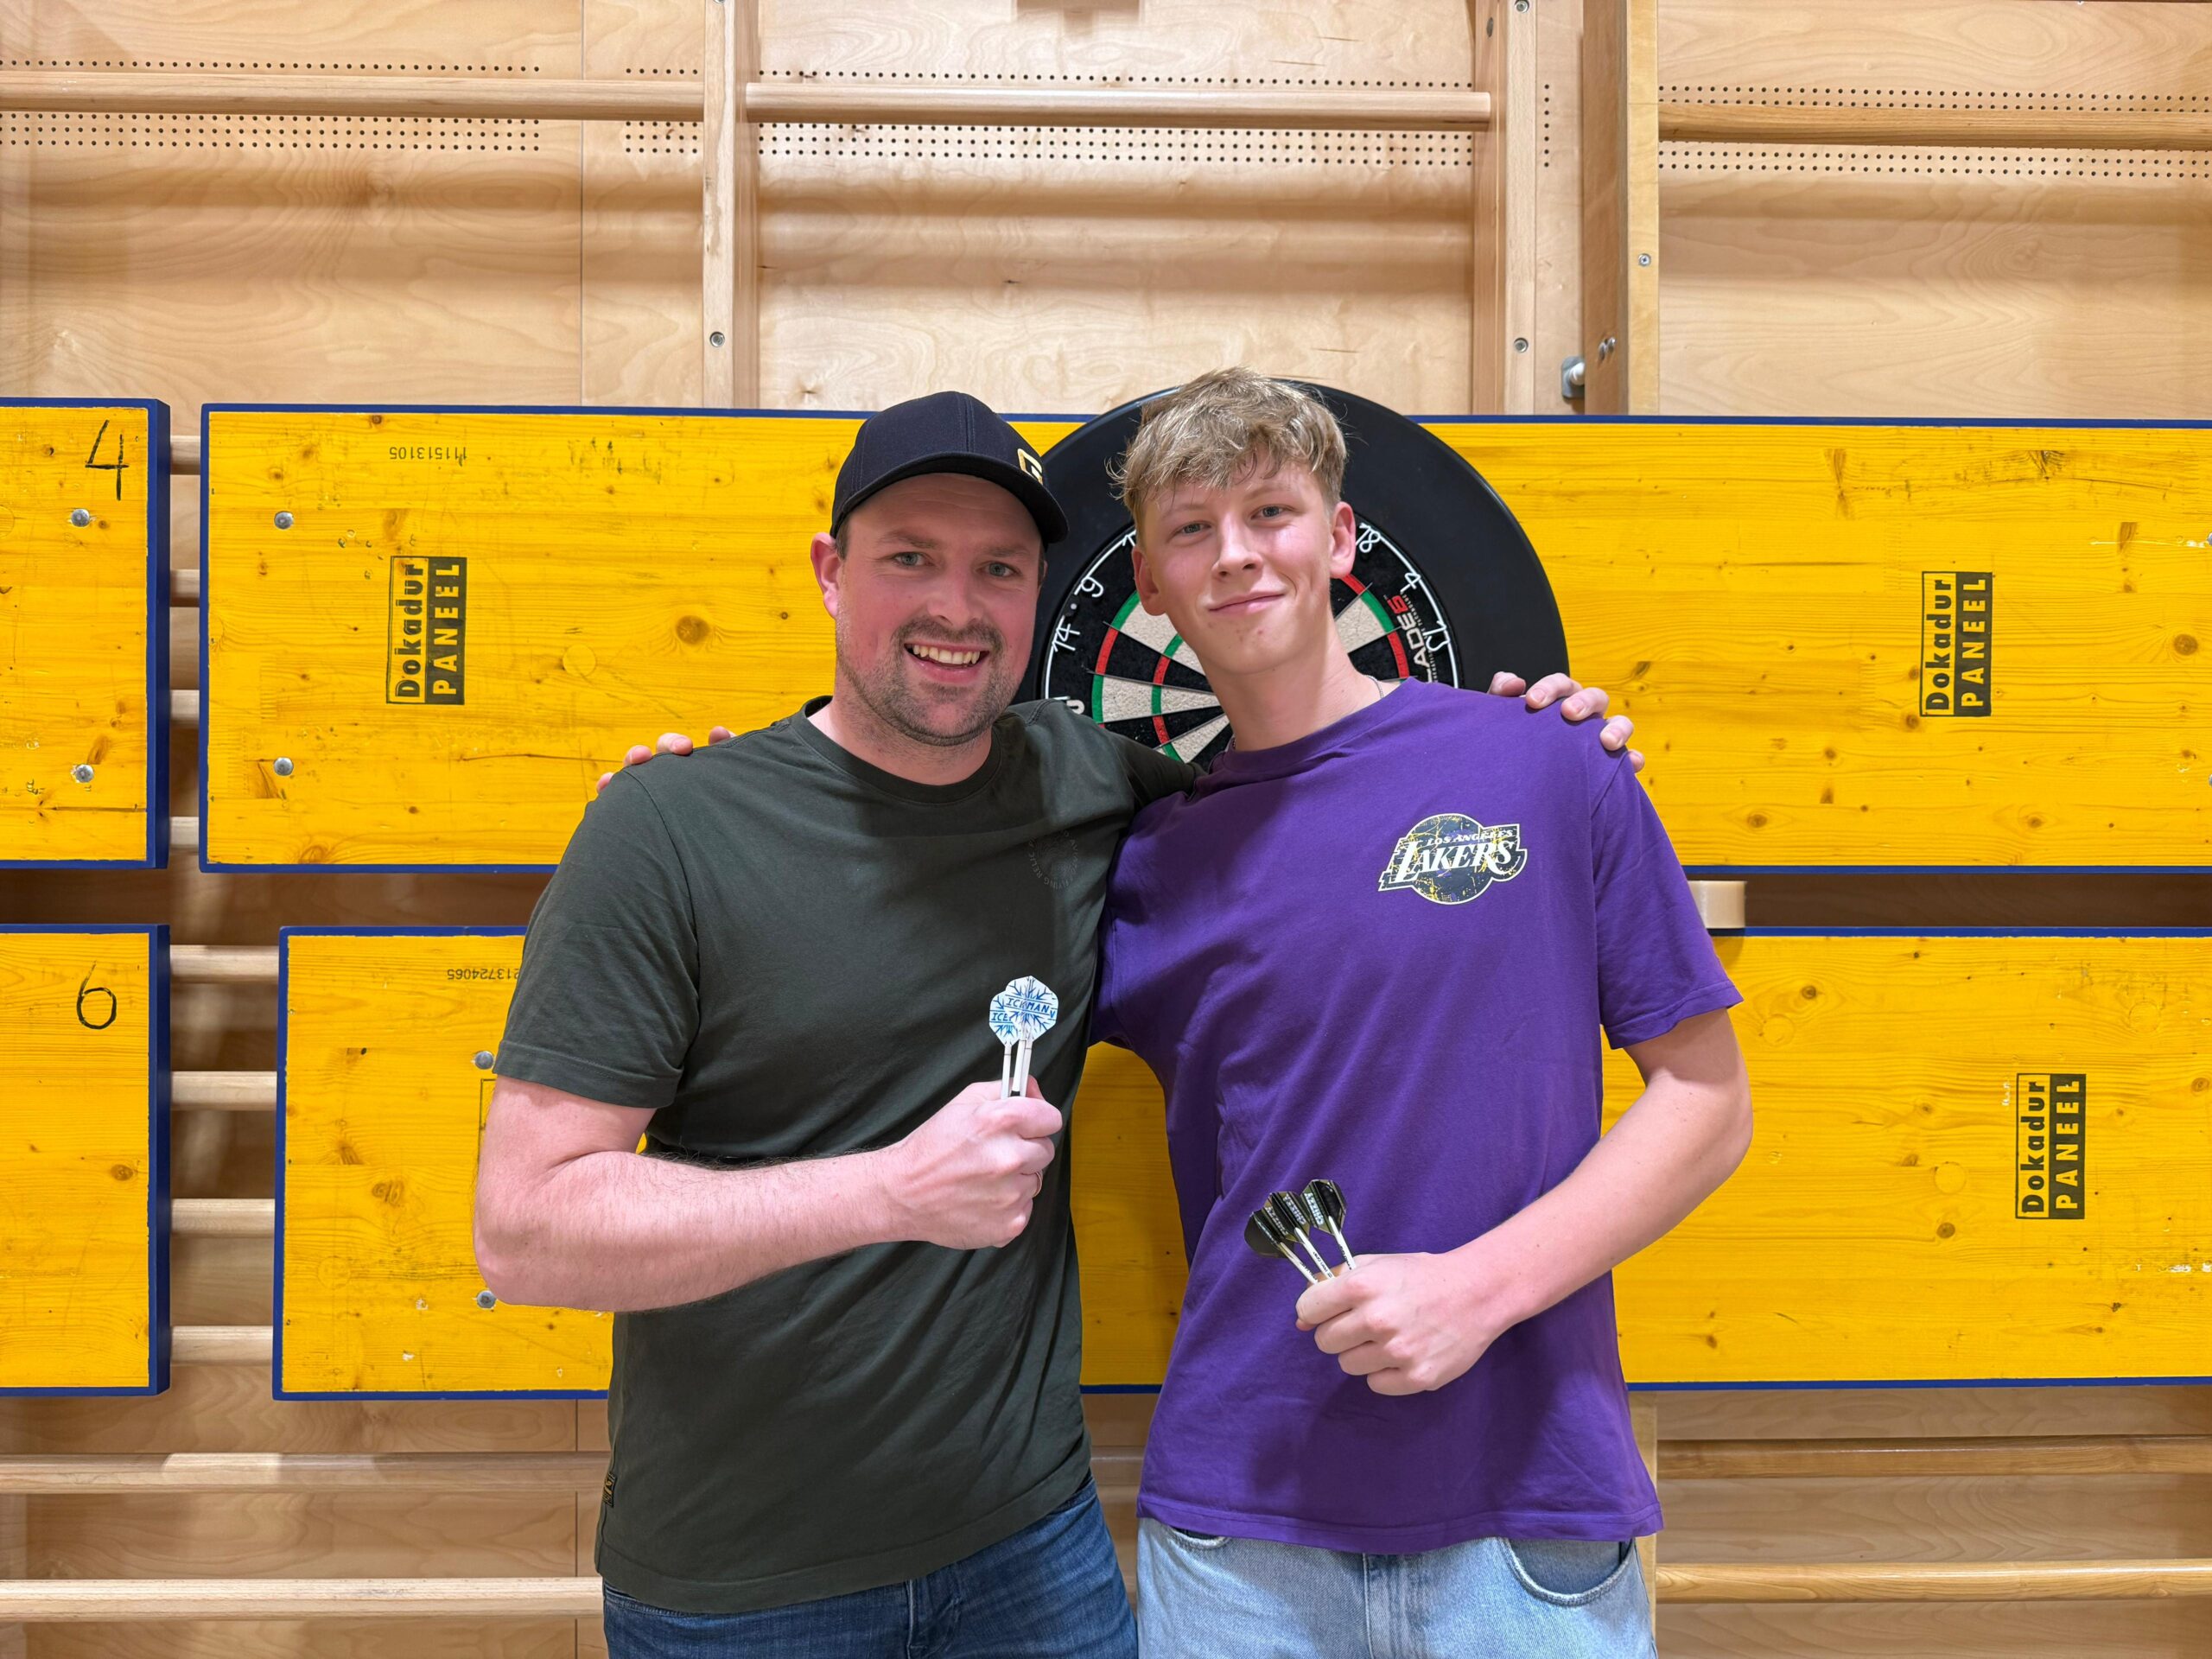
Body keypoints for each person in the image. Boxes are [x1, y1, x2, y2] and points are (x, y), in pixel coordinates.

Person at [494, 387, 1637, 1656]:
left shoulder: (1101, 791)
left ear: (1042, 594)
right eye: (909, 558)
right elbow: (525, 1234)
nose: (955, 605)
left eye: (997, 568)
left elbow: (1317, 808)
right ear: (829, 572)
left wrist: (1540, 741)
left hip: (1034, 1557)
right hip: (742, 1583)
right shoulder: (668, 828)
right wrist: (885, 1192)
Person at [1093, 369, 1753, 1657]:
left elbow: (1707, 1102)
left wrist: (1478, 1291)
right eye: (1191, 529)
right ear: (1151, 585)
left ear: (1341, 539)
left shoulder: (1545, 763)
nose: (1236, 554)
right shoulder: (1146, 861)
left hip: (1528, 1518)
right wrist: (706, 800)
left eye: (1270, 512)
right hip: (1241, 1539)